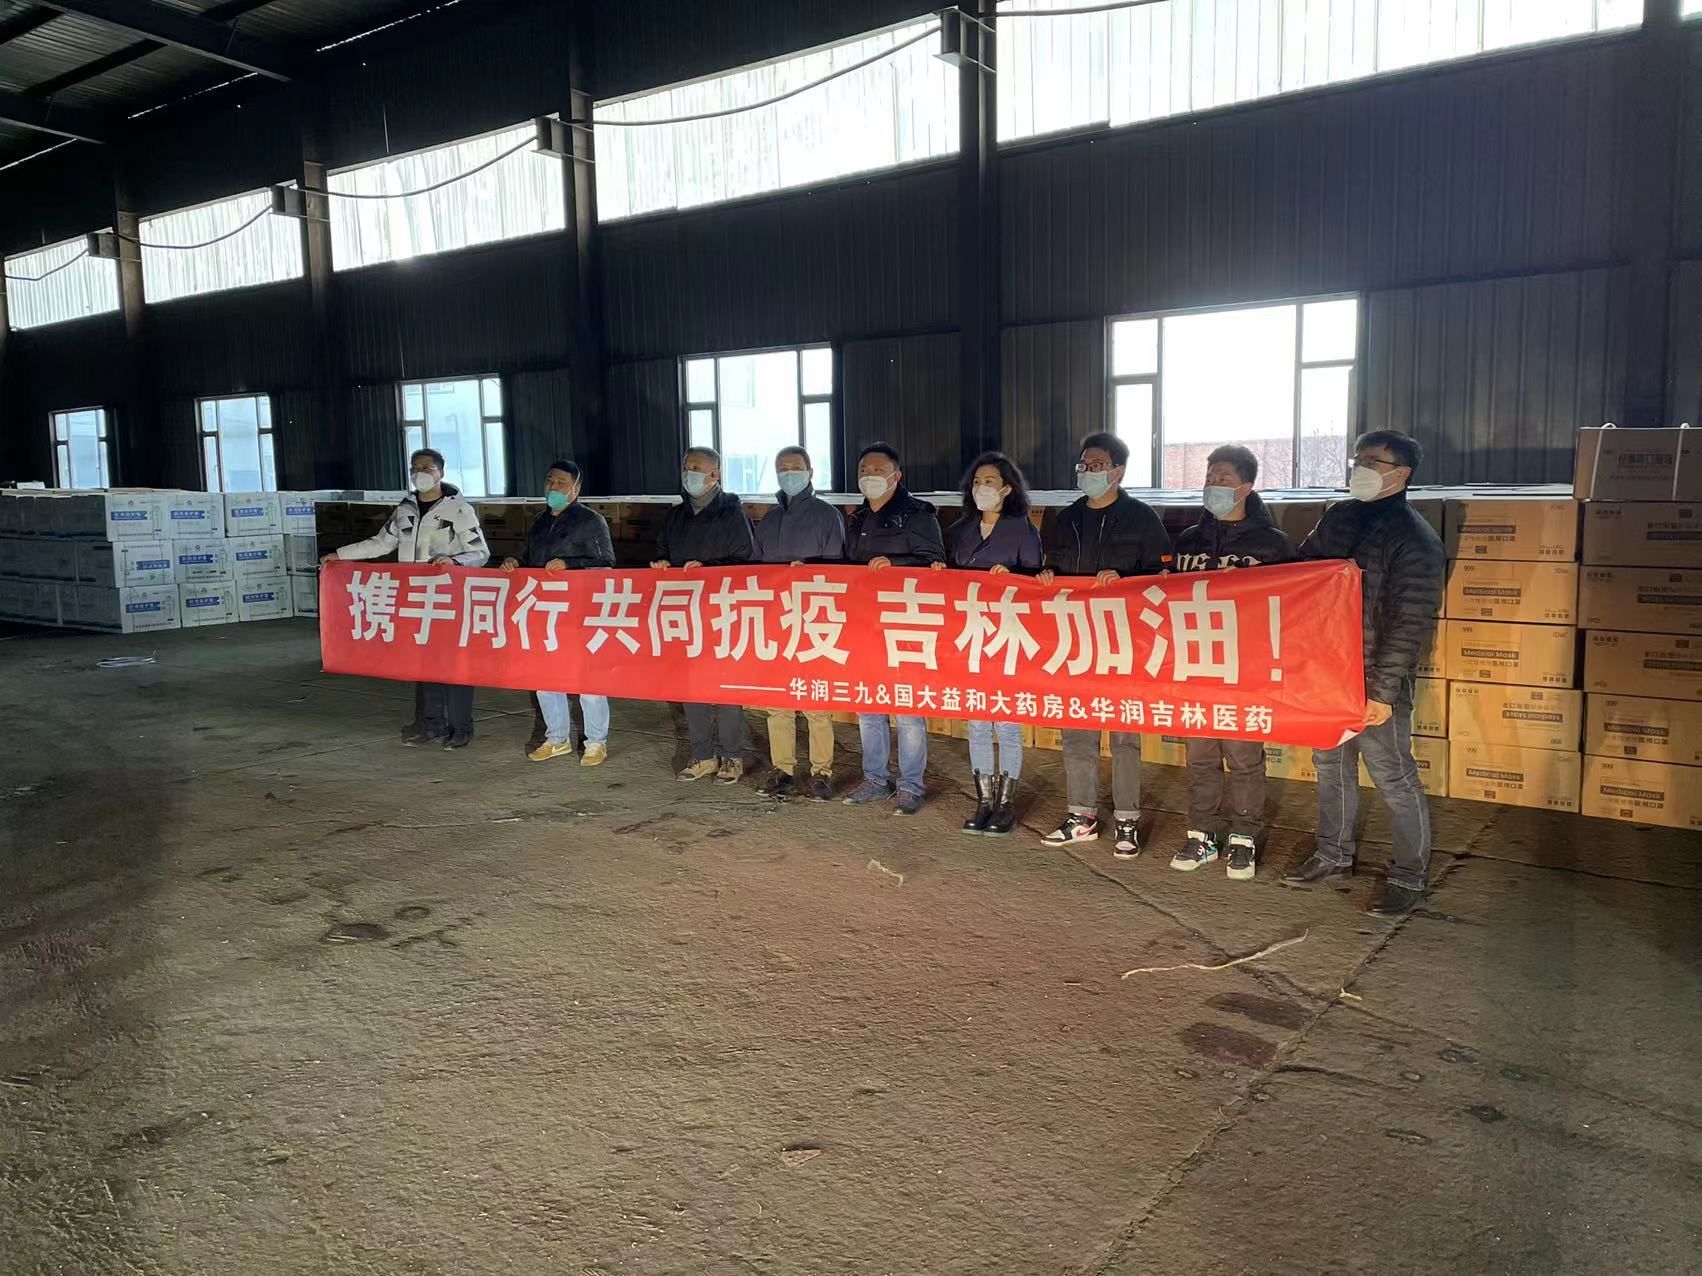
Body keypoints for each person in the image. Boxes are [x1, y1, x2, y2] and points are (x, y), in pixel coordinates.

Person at [1282, 430, 1445, 918]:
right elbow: (1302, 573)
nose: (1361, 468)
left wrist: (1382, 693)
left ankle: (1408, 875)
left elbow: (1408, 625)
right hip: (1328, 671)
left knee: (1393, 775)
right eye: (1358, 459)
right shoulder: (1339, 517)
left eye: (1373, 461)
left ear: (1402, 474)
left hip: (1374, 677)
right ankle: (1333, 854)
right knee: (1331, 766)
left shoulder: (1415, 539)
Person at [1036, 432, 1172, 856]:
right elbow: (1050, 567)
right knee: (1077, 731)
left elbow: (1163, 580)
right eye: (1083, 465)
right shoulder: (1067, 519)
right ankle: (1082, 815)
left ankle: (1127, 820)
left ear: (1118, 472)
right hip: (1075, 639)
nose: (1088, 472)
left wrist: (1126, 581)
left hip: (1124, 641)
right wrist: (1046, 576)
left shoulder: (1142, 519)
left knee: (1124, 735)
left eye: (1097, 465)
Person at [1167, 445, 1297, 881]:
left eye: (1222, 478)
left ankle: (1244, 837)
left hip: (1245, 670)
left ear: (1246, 487)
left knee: (1243, 757)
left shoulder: (1272, 545)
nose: (1213, 485)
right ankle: (1202, 834)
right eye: (1209, 477)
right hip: (1196, 666)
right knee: (1200, 756)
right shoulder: (1189, 541)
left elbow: (1292, 603)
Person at [321, 448, 490, 748]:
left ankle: (461, 727)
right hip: (415, 600)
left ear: (441, 472)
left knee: (454, 663)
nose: (420, 472)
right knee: (425, 663)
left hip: (448, 599)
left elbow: (480, 552)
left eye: (427, 467)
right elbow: (381, 543)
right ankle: (431, 723)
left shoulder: (458, 510)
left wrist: (454, 561)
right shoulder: (405, 509)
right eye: (415, 467)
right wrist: (340, 555)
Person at [938, 451, 1042, 836]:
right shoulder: (960, 529)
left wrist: (1013, 577)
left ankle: (1006, 803)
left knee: (1007, 724)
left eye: (990, 482)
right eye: (977, 482)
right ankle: (984, 800)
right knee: (978, 722)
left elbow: (1037, 587)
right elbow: (948, 579)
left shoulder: (1023, 530)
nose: (982, 488)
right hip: (971, 635)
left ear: (1007, 489)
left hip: (1008, 637)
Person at [840, 442, 946, 817]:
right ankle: (875, 779)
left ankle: (911, 785)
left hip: (904, 623)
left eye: (877, 470)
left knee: (907, 709)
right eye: (863, 470)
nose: (869, 476)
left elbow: (936, 565)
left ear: (896, 476)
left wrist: (895, 564)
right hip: (865, 624)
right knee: (869, 706)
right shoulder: (856, 519)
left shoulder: (918, 515)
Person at [500, 460, 616, 767]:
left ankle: (596, 742)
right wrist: (515, 563)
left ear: (576, 489)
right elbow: (529, 558)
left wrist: (570, 565)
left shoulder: (590, 521)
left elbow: (606, 562)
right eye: (550, 481)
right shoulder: (540, 521)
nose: (553, 487)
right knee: (546, 677)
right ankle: (556, 738)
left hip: (579, 611)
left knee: (588, 679)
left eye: (561, 483)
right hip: (545, 612)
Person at [653, 445, 756, 784]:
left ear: (715, 474)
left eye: (697, 467)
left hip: (721, 610)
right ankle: (702, 755)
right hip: (685, 612)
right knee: (691, 686)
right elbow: (663, 551)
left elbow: (745, 561)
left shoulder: (732, 514)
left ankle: (732, 756)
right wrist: (662, 564)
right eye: (687, 466)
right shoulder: (675, 516)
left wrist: (709, 569)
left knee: (725, 688)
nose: (690, 473)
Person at [752, 446, 847, 800]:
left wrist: (810, 571)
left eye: (795, 466)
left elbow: (840, 569)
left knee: (815, 702)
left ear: (810, 471)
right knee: (777, 701)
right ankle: (784, 769)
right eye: (782, 468)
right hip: (775, 619)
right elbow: (753, 569)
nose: (788, 473)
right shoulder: (770, 519)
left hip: (813, 619)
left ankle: (822, 772)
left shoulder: (827, 515)